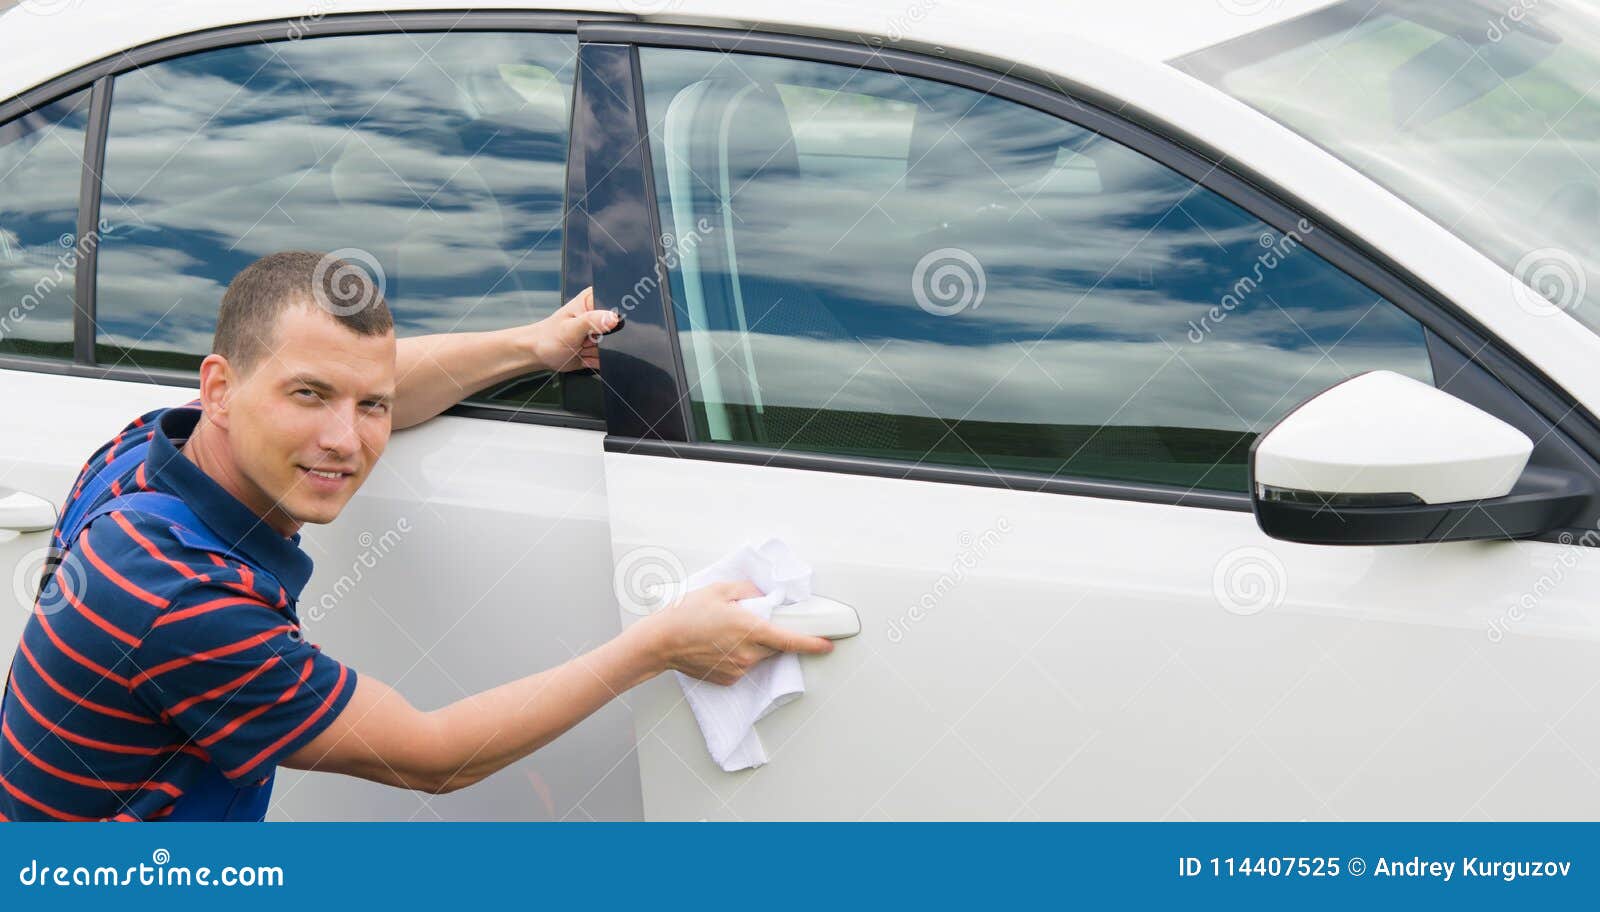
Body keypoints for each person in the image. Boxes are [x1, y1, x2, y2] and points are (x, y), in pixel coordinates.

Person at [0, 250, 831, 821]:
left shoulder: (144, 449)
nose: (345, 439)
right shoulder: (179, 599)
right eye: (308, 396)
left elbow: (372, 380)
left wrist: (529, 347)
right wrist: (657, 646)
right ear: (221, 388)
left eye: (371, 407)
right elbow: (435, 757)